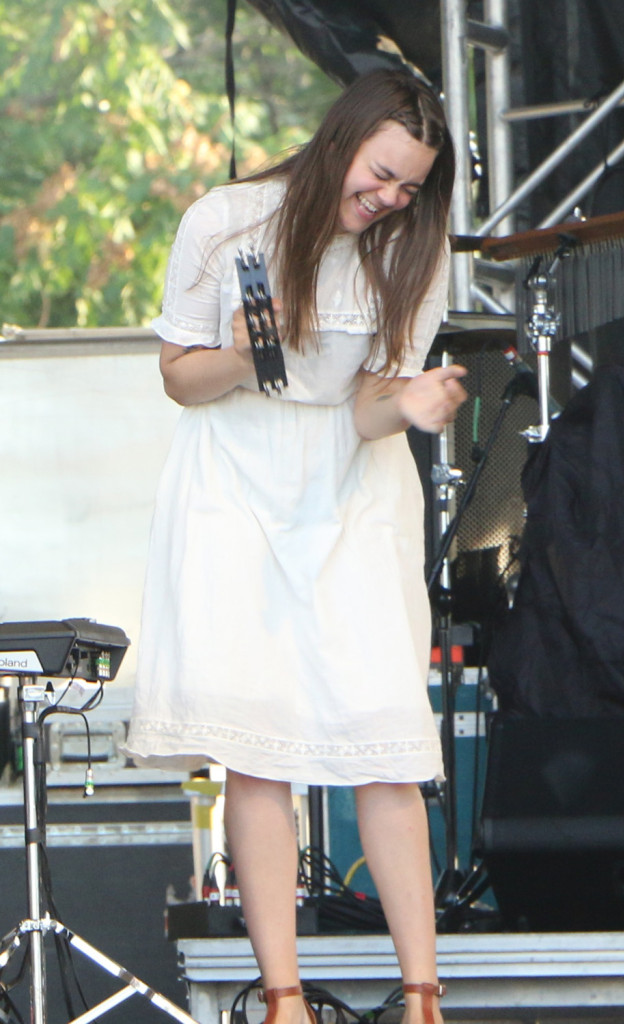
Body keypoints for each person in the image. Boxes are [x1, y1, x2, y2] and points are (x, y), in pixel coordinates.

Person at [124, 68, 467, 1024]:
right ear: (340, 140)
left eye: (408, 185)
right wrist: (243, 352)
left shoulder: (414, 246)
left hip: (350, 485)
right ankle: (282, 998)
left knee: (383, 741)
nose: (389, 197)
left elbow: (366, 407)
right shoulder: (227, 221)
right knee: (256, 749)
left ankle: (422, 996)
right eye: (381, 173)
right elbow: (180, 380)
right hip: (236, 479)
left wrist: (408, 400)